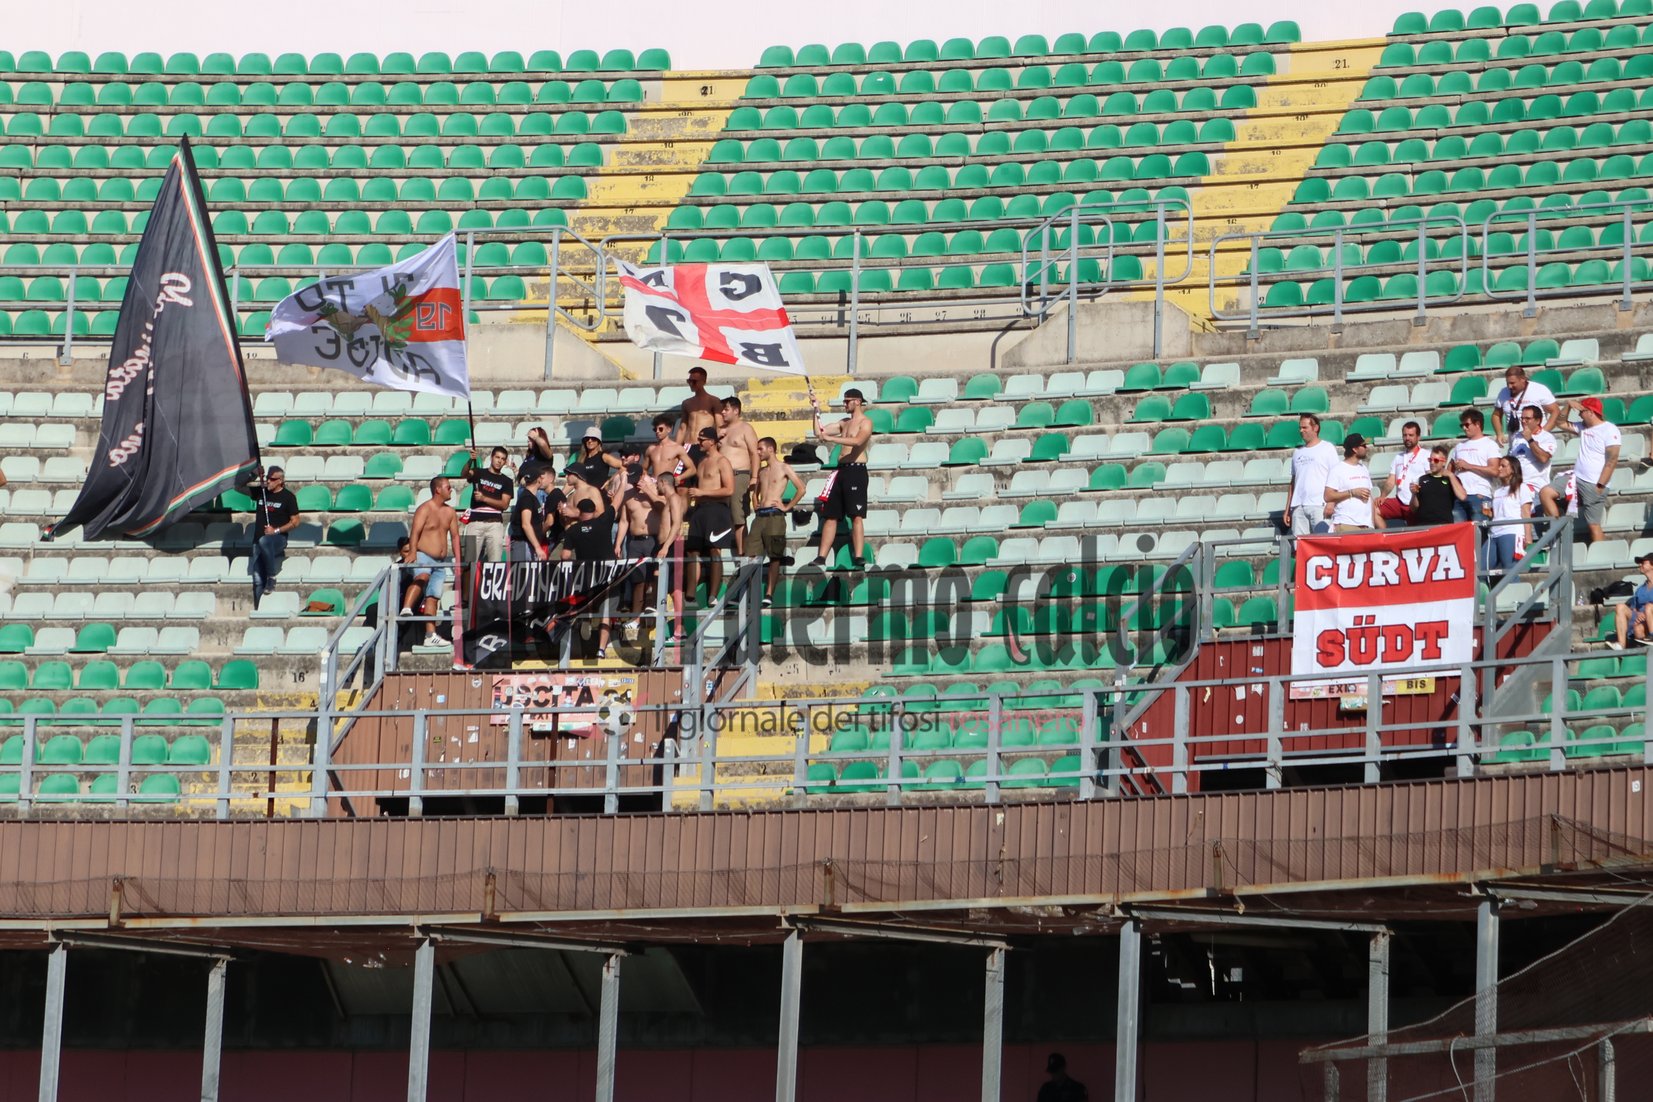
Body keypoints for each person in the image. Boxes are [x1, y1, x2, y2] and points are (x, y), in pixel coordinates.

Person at [809, 386, 874, 566]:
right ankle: (821, 556)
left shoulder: (866, 422)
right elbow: (819, 432)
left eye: (847, 401)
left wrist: (833, 440)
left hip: (856, 470)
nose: (844, 404)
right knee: (830, 515)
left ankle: (859, 554)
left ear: (857, 401)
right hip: (841, 470)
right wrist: (816, 409)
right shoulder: (844, 422)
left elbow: (858, 441)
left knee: (856, 515)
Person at [1544, 396, 1621, 544]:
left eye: (1581, 411)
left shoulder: (1609, 429)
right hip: (1576, 478)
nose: (1579, 414)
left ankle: (1600, 557)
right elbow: (1560, 422)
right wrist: (1567, 405)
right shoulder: (1583, 427)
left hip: (1594, 483)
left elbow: (1612, 459)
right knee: (1546, 493)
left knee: (1593, 525)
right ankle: (1557, 530)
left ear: (1591, 412)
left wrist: (1600, 484)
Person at [406, 476, 461, 647]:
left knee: (433, 596)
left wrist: (458, 560)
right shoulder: (424, 509)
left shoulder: (450, 512)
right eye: (448, 487)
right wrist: (413, 552)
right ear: (438, 489)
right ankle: (407, 607)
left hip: (440, 561)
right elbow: (415, 532)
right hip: (424, 554)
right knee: (422, 575)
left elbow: (455, 537)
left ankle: (430, 634)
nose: (451, 489)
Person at [683, 426, 735, 608]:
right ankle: (690, 593)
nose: (699, 442)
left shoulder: (722, 462)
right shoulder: (702, 462)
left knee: (714, 549)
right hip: (700, 509)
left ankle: (713, 594)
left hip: (717, 509)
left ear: (712, 441)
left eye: (702, 439)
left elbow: (729, 490)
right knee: (692, 550)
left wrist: (702, 492)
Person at [750, 437, 805, 607]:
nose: (758, 452)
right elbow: (755, 493)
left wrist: (787, 506)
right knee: (751, 555)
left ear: (771, 449)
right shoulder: (762, 471)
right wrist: (755, 503)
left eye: (760, 449)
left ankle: (769, 593)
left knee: (775, 556)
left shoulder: (784, 467)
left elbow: (801, 488)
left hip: (775, 516)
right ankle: (752, 591)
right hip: (760, 517)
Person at [561, 497, 617, 657]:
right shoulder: (603, 522)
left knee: (586, 606)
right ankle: (601, 649)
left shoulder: (573, 530)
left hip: (586, 576)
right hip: (607, 574)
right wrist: (622, 482)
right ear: (594, 511)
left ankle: (585, 621)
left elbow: (565, 556)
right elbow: (616, 503)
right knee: (606, 611)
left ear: (579, 511)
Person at [240, 464, 301, 609]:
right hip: (258, 540)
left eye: (272, 479)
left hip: (277, 539)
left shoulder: (288, 497)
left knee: (265, 540)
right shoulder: (262, 492)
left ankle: (272, 576)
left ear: (280, 480)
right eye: (267, 478)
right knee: (257, 579)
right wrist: (253, 475)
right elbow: (238, 487)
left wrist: (276, 530)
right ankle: (258, 608)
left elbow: (296, 522)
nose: (268, 481)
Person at [718, 396, 761, 556]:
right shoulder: (720, 430)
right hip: (720, 477)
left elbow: (754, 453)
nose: (723, 412)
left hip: (739, 475)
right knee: (723, 515)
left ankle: (743, 553)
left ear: (736, 411)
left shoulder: (745, 428)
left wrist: (754, 476)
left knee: (738, 516)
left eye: (726, 409)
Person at [1284, 413, 1338, 536]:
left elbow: (1336, 477)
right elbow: (1293, 482)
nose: (1301, 431)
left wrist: (1331, 502)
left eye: (1304, 427)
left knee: (1323, 544)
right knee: (1300, 547)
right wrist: (1288, 509)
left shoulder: (1327, 448)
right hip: (1298, 507)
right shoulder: (1297, 452)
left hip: (1320, 505)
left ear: (1315, 428)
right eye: (1300, 428)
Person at [461, 446, 513, 562]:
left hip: (495, 525)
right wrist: (470, 460)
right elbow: (464, 474)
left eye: (503, 459)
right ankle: (469, 580)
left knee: (495, 562)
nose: (499, 461)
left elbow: (504, 505)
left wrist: (484, 498)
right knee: (469, 560)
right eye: (497, 457)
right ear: (491, 457)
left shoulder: (507, 481)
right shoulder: (479, 472)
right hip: (474, 522)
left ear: (505, 462)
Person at [1483, 456, 1532, 578]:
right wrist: (1489, 514)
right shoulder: (1497, 491)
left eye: (1503, 466)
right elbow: (1499, 513)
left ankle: (1513, 596)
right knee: (1481, 568)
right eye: (1499, 465)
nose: (1499, 468)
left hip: (1511, 532)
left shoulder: (1522, 487)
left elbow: (1526, 513)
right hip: (1494, 533)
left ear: (1513, 469)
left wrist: (1528, 536)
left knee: (1509, 570)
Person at [1450, 409, 1501, 523]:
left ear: (1477, 424)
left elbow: (1495, 470)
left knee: (1479, 532)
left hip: (1480, 495)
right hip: (1459, 496)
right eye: (1462, 425)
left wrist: (1469, 466)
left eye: (1467, 424)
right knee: (1459, 534)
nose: (1464, 428)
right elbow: (1450, 470)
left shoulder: (1489, 444)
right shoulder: (1459, 446)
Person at [1492, 365, 1560, 446]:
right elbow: (1496, 415)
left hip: (1537, 442)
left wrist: (1543, 432)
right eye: (1507, 383)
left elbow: (1556, 411)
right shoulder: (1503, 392)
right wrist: (1499, 434)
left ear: (1523, 380)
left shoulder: (1539, 390)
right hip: (1515, 444)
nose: (1509, 386)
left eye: (1513, 383)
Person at [1324, 434, 1379, 532]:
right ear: (1355, 449)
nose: (1367, 448)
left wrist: (1372, 524)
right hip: (1346, 524)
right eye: (1364, 446)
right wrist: (1352, 493)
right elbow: (1328, 496)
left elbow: (1370, 497)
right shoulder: (1337, 469)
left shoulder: (1364, 469)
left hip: (1366, 526)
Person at [1378, 420, 1429, 526]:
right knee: (1374, 508)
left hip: (1418, 503)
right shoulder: (1398, 457)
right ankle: (1385, 538)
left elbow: (1431, 479)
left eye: (1411, 435)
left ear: (1418, 437)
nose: (1407, 438)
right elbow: (1391, 481)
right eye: (1405, 435)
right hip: (1399, 501)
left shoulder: (1426, 455)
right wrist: (1382, 496)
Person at [1509, 404, 1557, 514]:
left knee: (1535, 527)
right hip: (1517, 488)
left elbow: (1544, 458)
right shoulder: (1516, 437)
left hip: (1535, 489)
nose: (1523, 421)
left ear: (1538, 420)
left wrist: (1530, 439)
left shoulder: (1547, 437)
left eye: (1527, 418)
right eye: (1522, 418)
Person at [1410, 445, 1467, 526]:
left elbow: (1463, 497)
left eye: (1436, 460)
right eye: (1430, 460)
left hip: (1443, 526)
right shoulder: (1422, 479)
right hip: (1423, 526)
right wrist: (1414, 494)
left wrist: (1451, 475)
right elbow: (1413, 508)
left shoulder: (1451, 479)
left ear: (1444, 462)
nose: (1432, 463)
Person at [1608, 553, 1653, 649]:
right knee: (1620, 606)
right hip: (1642, 620)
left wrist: (1646, 613)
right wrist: (1638, 614)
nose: (1640, 565)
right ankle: (1621, 646)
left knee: (1638, 629)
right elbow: (1634, 607)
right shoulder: (1640, 589)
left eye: (1643, 562)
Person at [509, 464, 553, 562]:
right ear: (538, 480)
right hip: (523, 544)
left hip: (529, 544)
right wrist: (537, 547)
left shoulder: (530, 497)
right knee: (523, 576)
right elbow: (526, 524)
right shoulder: (527, 498)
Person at [676, 366, 724, 448]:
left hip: (704, 445)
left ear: (704, 381)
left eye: (694, 381)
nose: (691, 384)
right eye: (689, 381)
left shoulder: (713, 401)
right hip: (688, 444)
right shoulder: (686, 403)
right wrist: (676, 448)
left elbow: (719, 426)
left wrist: (716, 446)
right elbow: (682, 428)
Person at [647, 413, 697, 481]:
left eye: (660, 429)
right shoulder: (651, 449)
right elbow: (644, 469)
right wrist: (648, 480)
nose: (657, 431)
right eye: (655, 429)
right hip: (653, 485)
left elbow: (692, 469)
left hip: (668, 486)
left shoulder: (677, 448)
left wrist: (679, 478)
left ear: (669, 429)